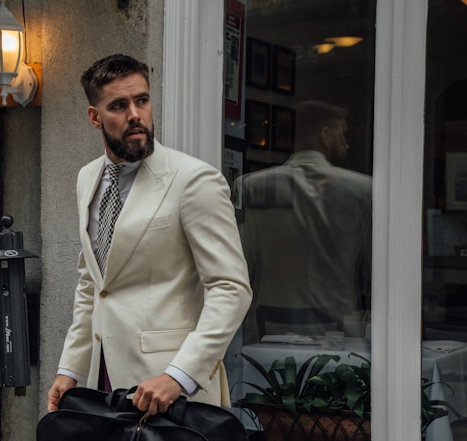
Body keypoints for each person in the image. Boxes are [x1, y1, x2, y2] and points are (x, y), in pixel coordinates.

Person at [47, 54, 252, 415]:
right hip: (103, 383)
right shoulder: (87, 178)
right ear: (95, 117)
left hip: (170, 388)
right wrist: (71, 368)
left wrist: (178, 375)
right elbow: (93, 284)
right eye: (119, 106)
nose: (135, 115)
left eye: (142, 100)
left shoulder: (193, 180)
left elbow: (230, 288)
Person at [239, 100, 372, 342]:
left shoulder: (250, 186)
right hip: (340, 324)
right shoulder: (363, 189)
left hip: (267, 324)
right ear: (325, 135)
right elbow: (371, 267)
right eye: (342, 135)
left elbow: (243, 262)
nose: (347, 143)